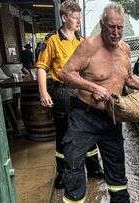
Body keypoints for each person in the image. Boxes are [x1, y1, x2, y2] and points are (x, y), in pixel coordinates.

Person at [58, 3, 139, 203]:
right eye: (111, 27)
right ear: (102, 24)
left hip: (111, 118)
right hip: (84, 116)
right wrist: (94, 87)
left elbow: (127, 78)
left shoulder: (125, 49)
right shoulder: (89, 46)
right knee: (73, 164)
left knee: (117, 171)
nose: (116, 32)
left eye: (119, 27)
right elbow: (65, 73)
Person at [35, 0, 103, 189]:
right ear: (64, 18)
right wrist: (43, 92)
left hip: (82, 91)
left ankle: (94, 168)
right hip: (62, 92)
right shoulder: (52, 40)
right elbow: (41, 68)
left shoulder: (82, 41)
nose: (78, 21)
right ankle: (63, 174)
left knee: (88, 130)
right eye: (75, 18)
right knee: (65, 134)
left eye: (79, 17)